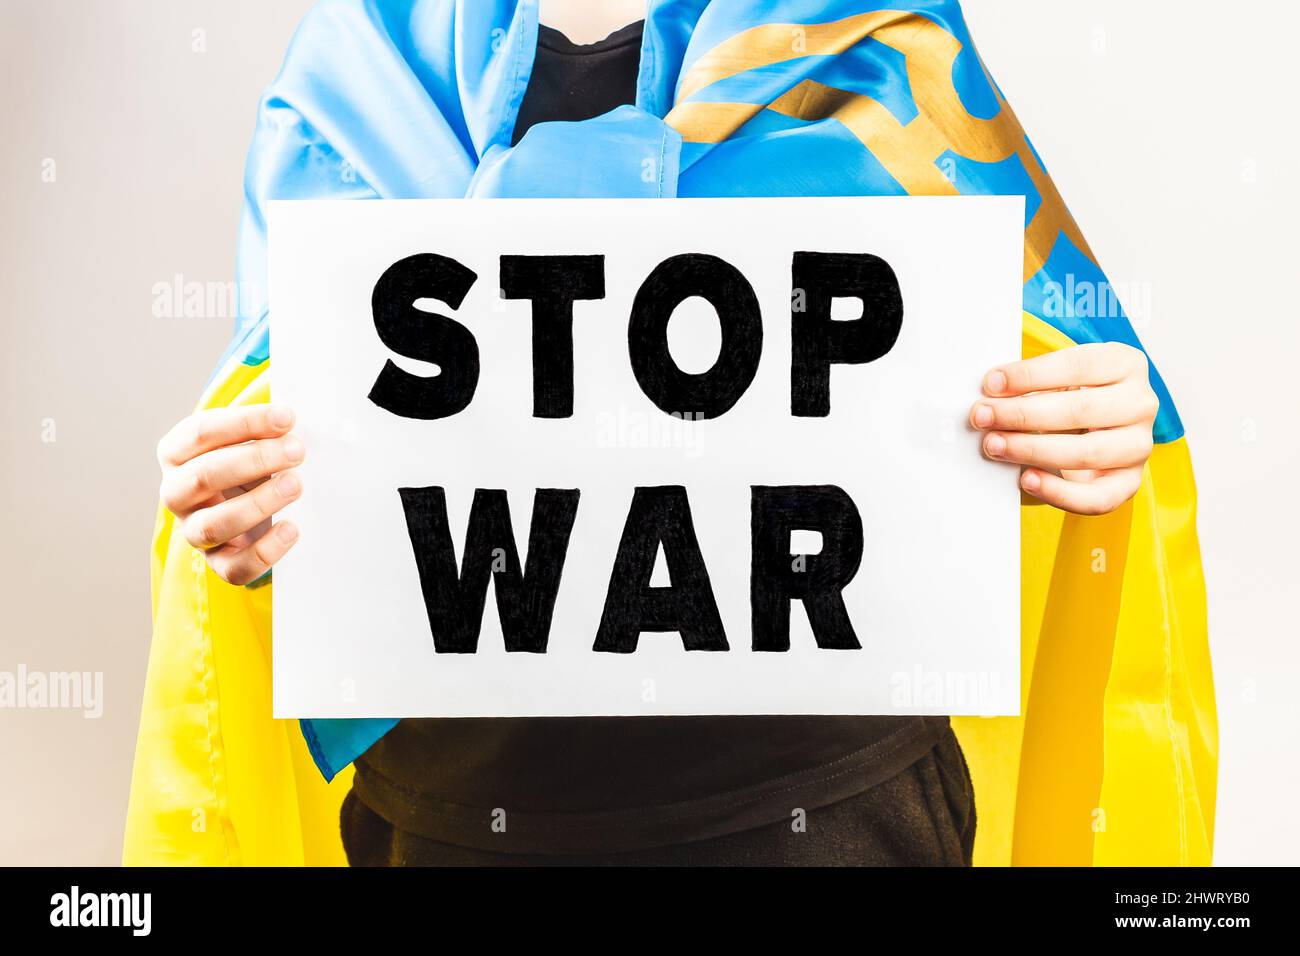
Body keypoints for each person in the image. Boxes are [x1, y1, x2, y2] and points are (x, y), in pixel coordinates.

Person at [129, 0, 1215, 867]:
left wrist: (1084, 421)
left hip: (827, 814)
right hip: (451, 817)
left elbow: (1021, 371)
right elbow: (293, 453)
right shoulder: (353, 67)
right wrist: (240, 504)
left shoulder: (878, 39)